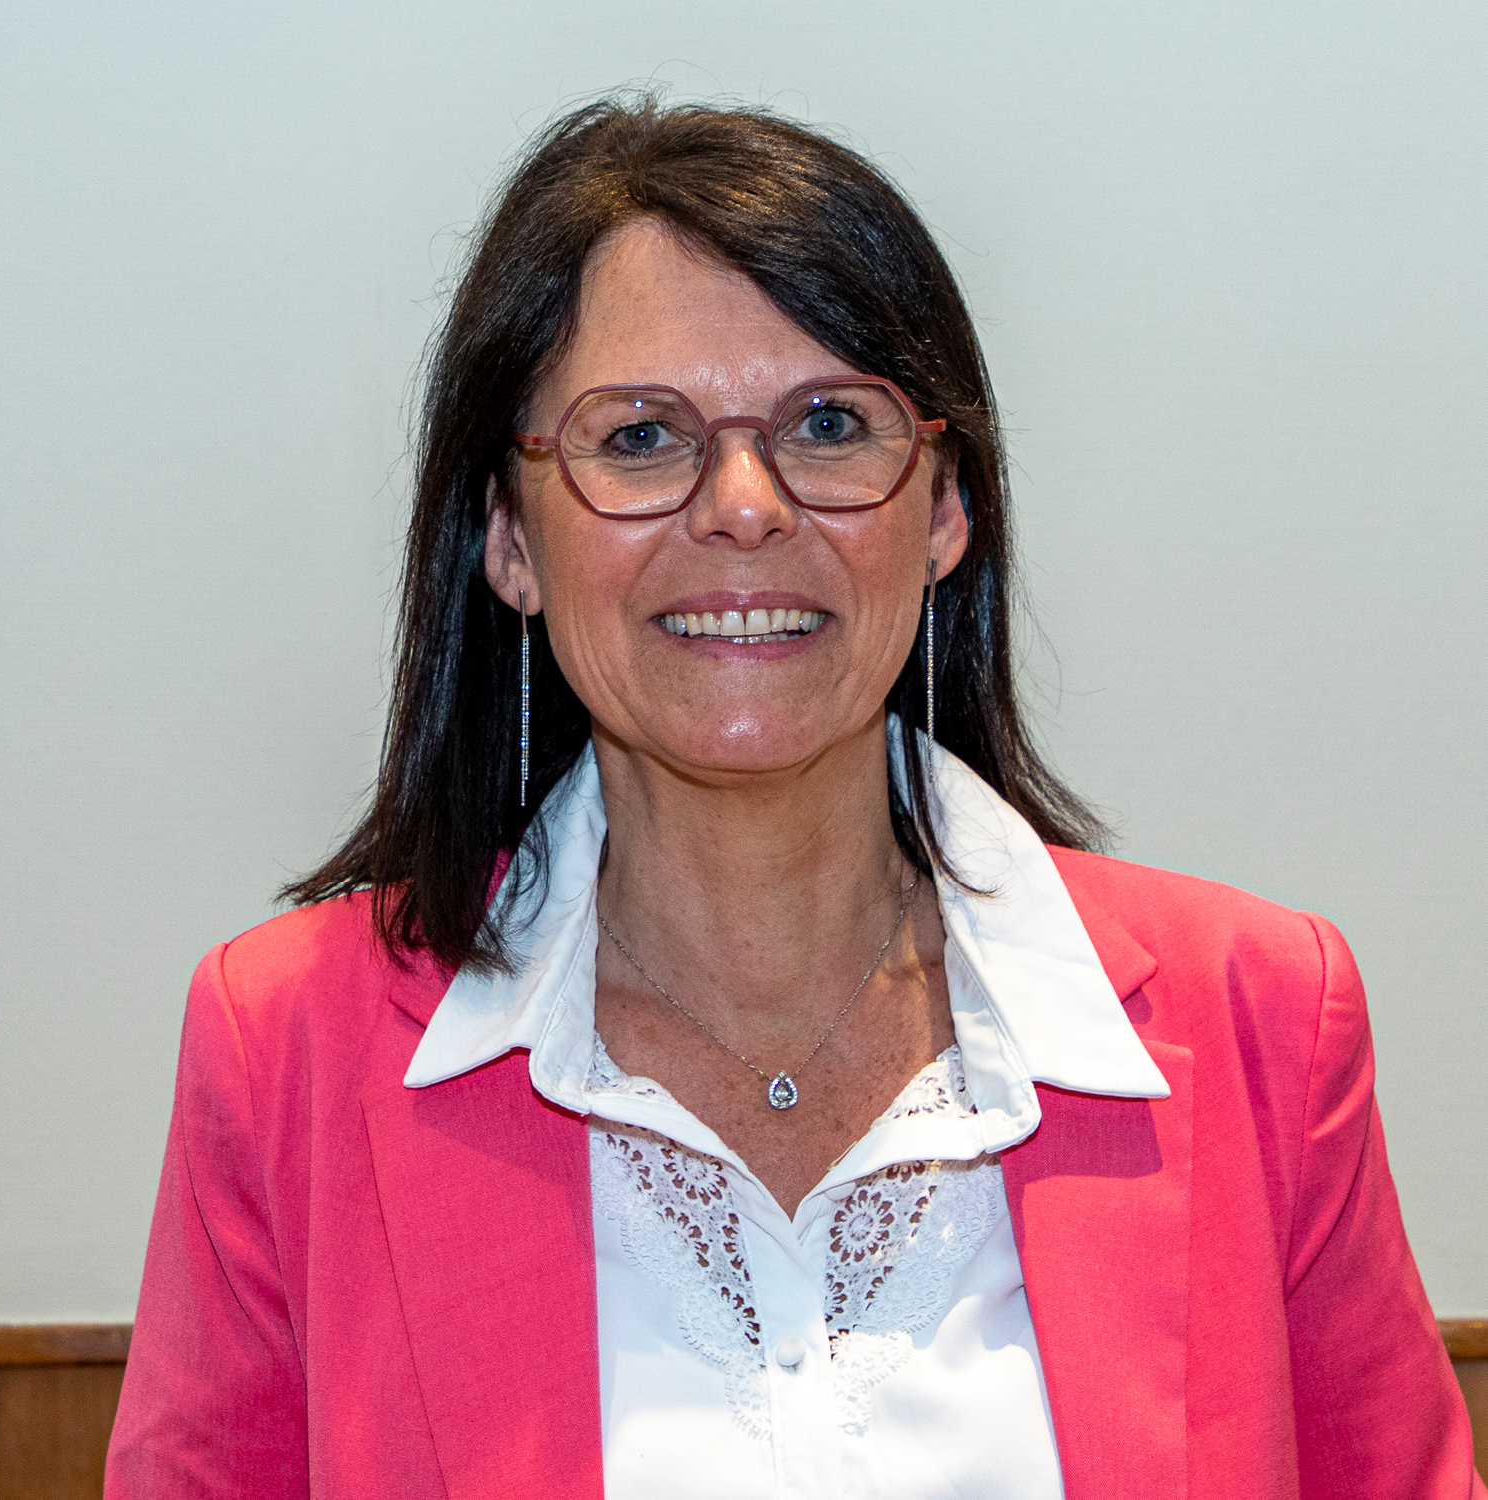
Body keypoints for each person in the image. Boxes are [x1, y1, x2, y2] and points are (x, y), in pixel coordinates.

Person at [105, 97, 1482, 1499]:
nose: (747, 505)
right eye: (640, 438)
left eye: (829, 424)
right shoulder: (285, 1050)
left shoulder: (1263, 1022)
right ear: (509, 539)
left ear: (946, 510)